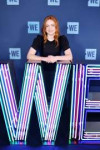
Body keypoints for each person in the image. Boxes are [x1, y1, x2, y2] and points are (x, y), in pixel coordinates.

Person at [27, 15, 73, 103]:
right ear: (44, 28)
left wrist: (55, 58)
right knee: (43, 100)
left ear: (56, 27)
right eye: (47, 26)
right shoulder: (39, 39)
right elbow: (29, 56)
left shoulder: (62, 39)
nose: (50, 28)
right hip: (42, 73)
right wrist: (45, 59)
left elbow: (69, 56)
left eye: (52, 25)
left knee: (56, 101)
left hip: (58, 74)